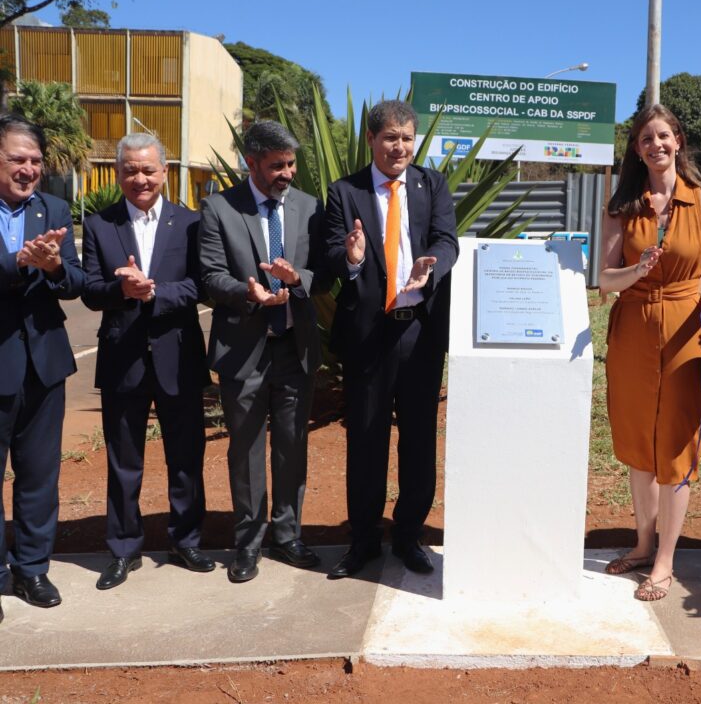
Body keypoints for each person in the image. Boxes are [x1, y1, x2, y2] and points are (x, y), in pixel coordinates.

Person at [598, 104, 701, 601]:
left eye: (663, 136)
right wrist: (636, 271)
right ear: (637, 149)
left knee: (676, 444)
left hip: (683, 330)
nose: (655, 144)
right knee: (638, 441)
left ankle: (665, 560)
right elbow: (604, 279)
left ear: (678, 140)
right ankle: (642, 541)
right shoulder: (622, 207)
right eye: (645, 139)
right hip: (632, 329)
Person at [322, 100, 458, 578]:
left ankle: (408, 536)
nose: (398, 146)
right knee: (366, 439)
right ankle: (363, 541)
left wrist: (431, 265)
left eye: (406, 137)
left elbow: (448, 239)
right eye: (389, 138)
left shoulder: (432, 184)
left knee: (419, 439)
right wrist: (353, 257)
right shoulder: (345, 191)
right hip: (367, 335)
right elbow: (330, 255)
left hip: (420, 331)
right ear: (371, 140)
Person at [81, 133, 213, 590]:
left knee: (186, 456)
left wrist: (155, 291)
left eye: (148, 169)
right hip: (124, 359)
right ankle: (122, 549)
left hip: (179, 355)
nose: (140, 178)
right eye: (130, 170)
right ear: (118, 174)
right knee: (124, 462)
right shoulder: (100, 225)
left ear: (165, 172)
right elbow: (90, 290)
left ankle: (187, 540)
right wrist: (121, 290)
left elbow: (202, 284)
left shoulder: (191, 222)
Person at [198, 120, 324, 583]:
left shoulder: (310, 207)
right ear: (251, 163)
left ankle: (288, 537)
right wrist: (248, 292)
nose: (287, 173)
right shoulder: (218, 208)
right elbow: (210, 274)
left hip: (295, 346)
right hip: (243, 348)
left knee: (293, 447)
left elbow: (321, 270)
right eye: (276, 166)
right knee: (246, 450)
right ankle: (248, 543)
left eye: (291, 164)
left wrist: (296, 281)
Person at [0, 114, 85, 622]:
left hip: (45, 363)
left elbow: (74, 282)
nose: (28, 169)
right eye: (17, 159)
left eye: (34, 160)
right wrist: (21, 263)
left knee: (38, 476)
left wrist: (53, 267)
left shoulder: (54, 207)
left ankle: (32, 568)